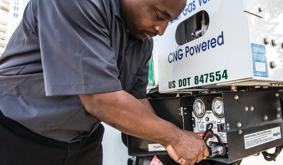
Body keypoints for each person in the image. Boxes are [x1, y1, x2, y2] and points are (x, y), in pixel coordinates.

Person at [0, 0, 208, 165]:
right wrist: (175, 138)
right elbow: (101, 100)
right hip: (19, 135)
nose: (161, 30)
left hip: (83, 143)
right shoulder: (78, 4)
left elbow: (138, 101)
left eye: (168, 22)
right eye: (159, 15)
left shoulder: (143, 44)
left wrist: (166, 142)